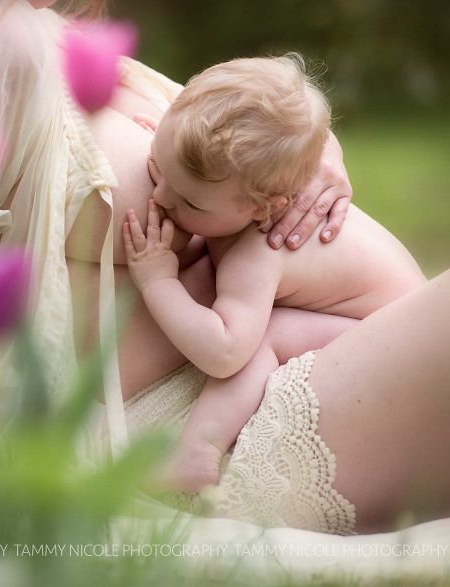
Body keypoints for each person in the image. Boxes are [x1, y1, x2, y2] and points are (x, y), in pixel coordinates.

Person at [0, 0, 449, 535]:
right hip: (206, 423)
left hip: (297, 362)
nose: (164, 195)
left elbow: (248, 123)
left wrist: (319, 153)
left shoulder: (54, 39)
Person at [120, 55, 425, 494]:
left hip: (385, 340)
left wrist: (158, 281)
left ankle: (196, 453)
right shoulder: (244, 184)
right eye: (157, 167)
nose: (163, 197)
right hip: (394, 314)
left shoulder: (260, 250)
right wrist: (173, 162)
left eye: (190, 202)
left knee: (261, 336)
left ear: (265, 208)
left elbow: (223, 351)